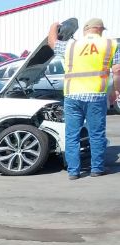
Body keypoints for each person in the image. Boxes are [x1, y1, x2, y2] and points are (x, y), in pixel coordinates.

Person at [49, 18, 120, 179]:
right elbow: (117, 70)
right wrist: (116, 90)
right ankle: (97, 169)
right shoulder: (110, 44)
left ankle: (74, 172)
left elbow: (52, 43)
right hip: (96, 96)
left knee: (72, 135)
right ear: (100, 29)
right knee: (96, 134)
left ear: (85, 30)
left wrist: (54, 26)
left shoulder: (71, 45)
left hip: (72, 96)